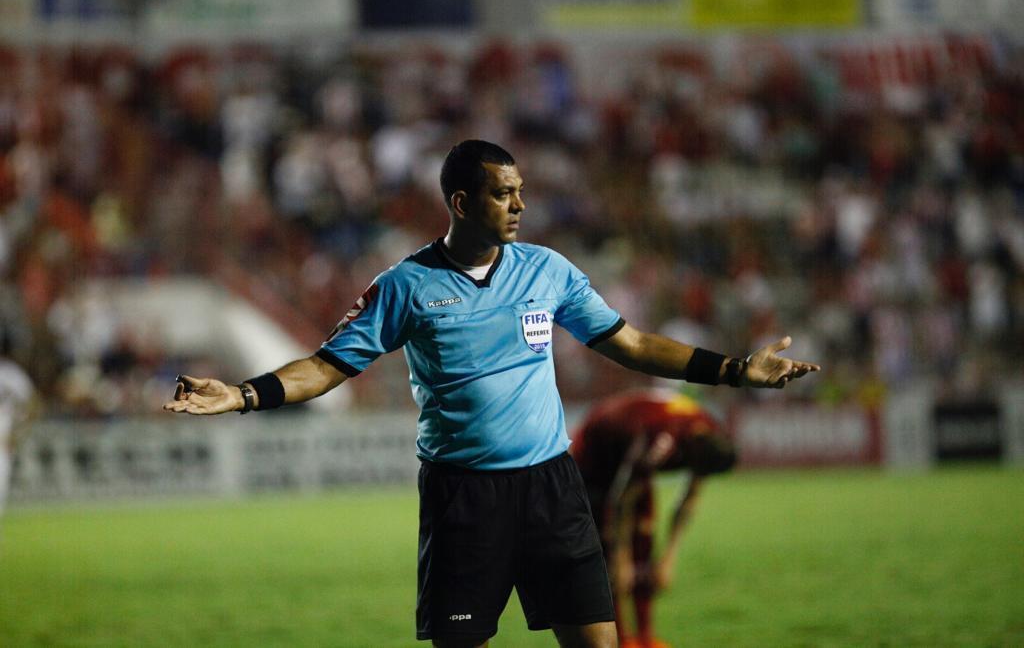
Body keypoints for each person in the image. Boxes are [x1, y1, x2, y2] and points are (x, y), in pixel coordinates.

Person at [164, 140, 820, 648]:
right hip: (464, 496)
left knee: (599, 641)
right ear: (461, 202)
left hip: (552, 487)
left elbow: (635, 344)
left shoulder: (547, 270)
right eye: (503, 194)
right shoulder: (405, 286)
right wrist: (243, 395)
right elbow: (326, 366)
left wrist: (737, 369)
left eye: (520, 192)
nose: (519, 205)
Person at [571, 389, 736, 648]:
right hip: (594, 459)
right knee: (608, 554)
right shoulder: (663, 441)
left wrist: (668, 558)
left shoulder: (709, 434)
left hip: (632, 465)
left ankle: (646, 638)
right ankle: (621, 640)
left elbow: (688, 499)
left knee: (644, 539)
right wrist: (621, 557)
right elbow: (622, 498)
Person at [0, 338, 38, 528]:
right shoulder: (15, 375)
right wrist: (19, 432)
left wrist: (17, 434)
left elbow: (32, 407)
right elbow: (33, 406)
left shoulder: (13, 374)